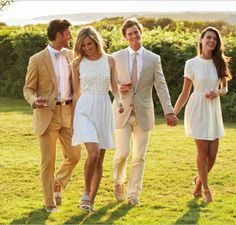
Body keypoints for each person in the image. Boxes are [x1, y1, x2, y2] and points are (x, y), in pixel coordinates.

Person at [112, 18, 177, 206]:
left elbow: (162, 86)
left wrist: (169, 111)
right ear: (125, 37)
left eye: (136, 32)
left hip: (144, 114)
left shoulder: (153, 58)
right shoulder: (115, 57)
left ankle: (133, 195)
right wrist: (117, 87)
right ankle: (118, 182)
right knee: (122, 153)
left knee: (139, 157)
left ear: (141, 32)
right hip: (121, 111)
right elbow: (109, 81)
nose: (134, 36)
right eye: (130, 33)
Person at [23, 19, 81, 212]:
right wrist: (34, 100)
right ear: (58, 36)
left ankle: (58, 182)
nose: (71, 36)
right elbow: (28, 88)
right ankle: (50, 203)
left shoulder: (72, 55)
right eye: (68, 33)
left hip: (69, 112)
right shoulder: (37, 59)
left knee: (74, 155)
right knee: (48, 160)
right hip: (47, 114)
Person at [173, 27, 232, 203]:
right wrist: (173, 113)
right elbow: (185, 92)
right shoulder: (191, 63)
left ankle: (198, 181)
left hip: (213, 109)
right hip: (197, 107)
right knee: (203, 150)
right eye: (208, 37)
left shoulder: (219, 62)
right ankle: (205, 188)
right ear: (201, 39)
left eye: (215, 39)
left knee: (213, 154)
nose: (211, 41)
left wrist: (218, 93)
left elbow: (224, 88)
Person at [71, 26, 124, 212]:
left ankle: (90, 201)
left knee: (99, 159)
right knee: (92, 153)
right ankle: (86, 192)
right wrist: (73, 120)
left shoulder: (109, 60)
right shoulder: (77, 63)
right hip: (85, 109)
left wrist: (120, 101)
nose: (87, 48)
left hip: (103, 108)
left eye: (90, 44)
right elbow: (76, 93)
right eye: (83, 45)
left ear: (96, 42)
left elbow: (114, 86)